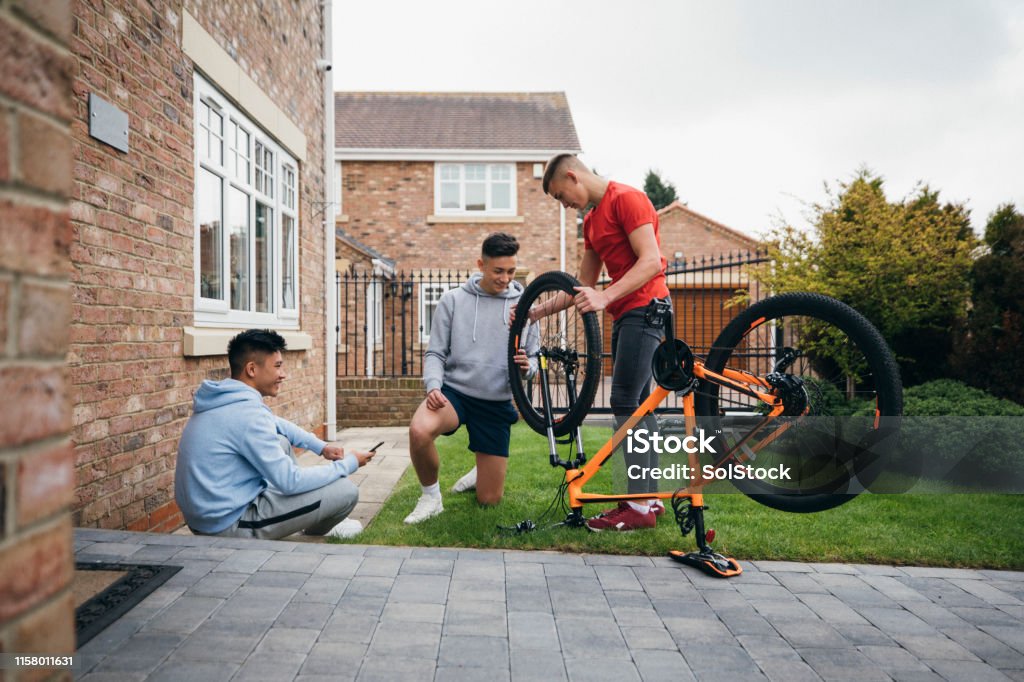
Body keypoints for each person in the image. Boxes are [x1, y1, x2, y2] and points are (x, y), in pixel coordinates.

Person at [537, 154, 670, 531]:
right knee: (640, 406)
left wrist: (606, 296)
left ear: (573, 176)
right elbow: (582, 286)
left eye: (561, 196)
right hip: (627, 313)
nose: (565, 205)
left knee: (625, 401)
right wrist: (535, 311)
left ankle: (637, 507)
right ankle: (649, 500)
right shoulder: (593, 222)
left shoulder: (627, 199)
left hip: (646, 309)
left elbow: (652, 262)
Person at [175, 329, 375, 539]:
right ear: (252, 369)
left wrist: (321, 447)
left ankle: (308, 509)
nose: (283, 374)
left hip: (207, 514)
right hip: (227, 524)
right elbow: (291, 481)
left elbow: (277, 424)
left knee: (280, 442)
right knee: (345, 492)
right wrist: (350, 463)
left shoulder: (226, 399)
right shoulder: (249, 415)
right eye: (277, 366)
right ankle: (315, 524)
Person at [403, 232, 538, 524]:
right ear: (481, 264)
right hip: (456, 394)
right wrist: (433, 386)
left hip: (496, 402)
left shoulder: (524, 306)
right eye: (498, 271)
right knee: (419, 431)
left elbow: (534, 357)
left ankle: (482, 471)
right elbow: (436, 352)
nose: (505, 279)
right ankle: (431, 498)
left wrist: (529, 368)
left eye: (511, 271)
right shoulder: (453, 300)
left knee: (489, 500)